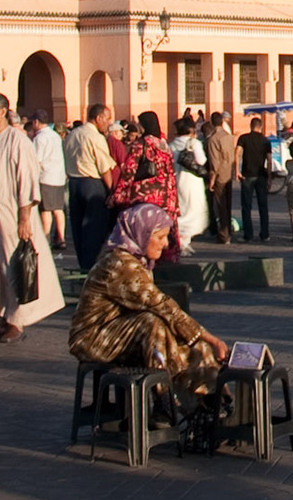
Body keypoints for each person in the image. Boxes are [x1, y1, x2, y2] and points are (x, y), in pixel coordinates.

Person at [68, 203, 230, 420]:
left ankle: (212, 398)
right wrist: (212, 339)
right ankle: (163, 399)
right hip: (92, 338)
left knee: (186, 340)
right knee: (151, 322)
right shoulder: (119, 264)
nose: (165, 244)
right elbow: (161, 306)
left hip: (123, 333)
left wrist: (201, 341)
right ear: (142, 233)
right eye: (160, 237)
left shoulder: (139, 261)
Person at [0, 92, 65, 343]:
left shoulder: (18, 141)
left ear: (2, 111)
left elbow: (27, 183)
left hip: (9, 215)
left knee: (12, 265)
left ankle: (16, 320)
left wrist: (24, 219)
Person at [111, 113, 179, 259]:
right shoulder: (164, 146)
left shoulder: (141, 144)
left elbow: (129, 171)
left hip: (147, 196)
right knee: (164, 233)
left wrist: (118, 194)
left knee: (146, 232)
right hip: (167, 197)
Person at [63, 103, 118, 271]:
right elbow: (104, 168)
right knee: (93, 228)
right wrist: (111, 191)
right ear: (98, 118)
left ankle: (83, 263)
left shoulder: (72, 134)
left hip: (74, 183)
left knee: (78, 227)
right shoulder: (95, 137)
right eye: (107, 118)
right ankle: (91, 266)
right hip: (92, 184)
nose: (109, 122)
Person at [26, 110, 68, 254]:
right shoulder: (55, 135)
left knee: (46, 210)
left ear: (36, 122)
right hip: (59, 176)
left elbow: (36, 160)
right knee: (58, 209)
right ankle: (61, 237)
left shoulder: (40, 138)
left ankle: (46, 238)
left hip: (45, 177)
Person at [168, 115, 210, 256]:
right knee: (194, 210)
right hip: (192, 181)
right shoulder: (194, 143)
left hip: (177, 180)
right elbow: (201, 161)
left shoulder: (171, 145)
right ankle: (184, 242)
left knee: (182, 210)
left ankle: (182, 242)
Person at [236, 116, 273, 243]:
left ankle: (248, 234)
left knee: (246, 206)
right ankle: (265, 234)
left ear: (250, 126)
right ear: (261, 126)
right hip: (261, 175)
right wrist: (269, 177)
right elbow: (269, 160)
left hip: (247, 174)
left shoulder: (243, 138)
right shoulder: (265, 141)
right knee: (263, 205)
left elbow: (237, 154)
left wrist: (237, 170)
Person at [204, 112, 236, 244]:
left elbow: (214, 161)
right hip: (228, 172)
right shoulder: (228, 136)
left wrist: (212, 178)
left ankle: (223, 234)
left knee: (221, 205)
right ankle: (228, 230)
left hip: (219, 175)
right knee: (227, 204)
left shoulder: (213, 139)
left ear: (212, 123)